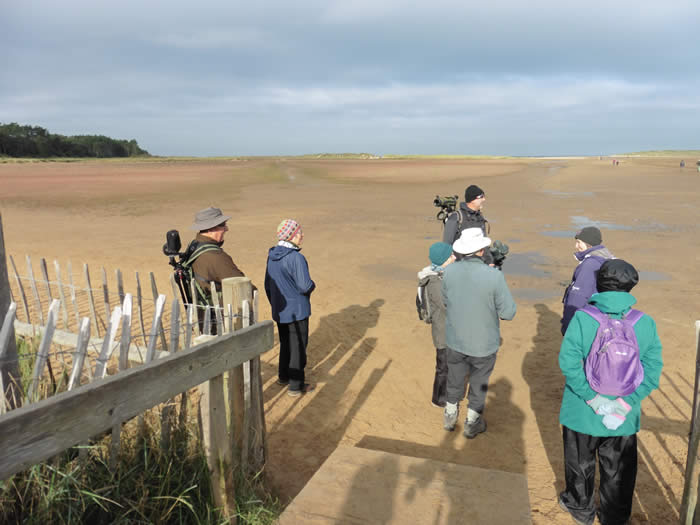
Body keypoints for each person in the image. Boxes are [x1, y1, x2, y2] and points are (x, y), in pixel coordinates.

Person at [558, 259, 663, 525]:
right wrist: (626, 403)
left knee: (579, 464)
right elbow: (652, 370)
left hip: (582, 411)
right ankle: (614, 517)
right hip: (623, 417)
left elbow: (568, 363)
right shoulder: (644, 322)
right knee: (618, 471)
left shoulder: (583, 318)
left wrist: (593, 399)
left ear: (600, 283)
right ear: (631, 286)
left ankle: (580, 509)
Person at [442, 228, 517, 438]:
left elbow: (445, 301)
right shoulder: (493, 276)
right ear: (482, 251)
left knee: (455, 376)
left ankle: (449, 416)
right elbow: (508, 312)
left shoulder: (448, 272)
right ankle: (472, 423)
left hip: (455, 339)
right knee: (479, 382)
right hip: (483, 344)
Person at [264, 219, 316, 397]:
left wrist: (276, 304)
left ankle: (283, 376)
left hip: (280, 310)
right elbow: (305, 286)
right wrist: (312, 286)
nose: (302, 235)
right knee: (298, 347)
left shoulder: (271, 256)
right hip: (298, 311)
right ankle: (295, 385)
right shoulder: (296, 258)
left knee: (286, 343)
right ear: (291, 235)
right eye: (299, 232)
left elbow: (268, 286)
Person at [188, 206, 251, 333]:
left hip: (201, 316)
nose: (227, 229)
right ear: (212, 228)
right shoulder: (215, 256)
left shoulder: (194, 245)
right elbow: (241, 286)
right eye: (223, 225)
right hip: (218, 320)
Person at [417, 242, 456, 408]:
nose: (454, 257)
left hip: (445, 329)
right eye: (451, 256)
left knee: (447, 365)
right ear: (443, 261)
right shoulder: (435, 282)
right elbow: (446, 306)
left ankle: (445, 395)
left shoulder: (438, 275)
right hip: (443, 331)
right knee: (443, 366)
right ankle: (439, 398)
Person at [561, 226, 614, 335]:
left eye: (579, 242)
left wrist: (567, 329)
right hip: (600, 320)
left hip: (585, 323)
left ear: (589, 244)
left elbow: (577, 299)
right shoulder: (605, 259)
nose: (576, 246)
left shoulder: (589, 265)